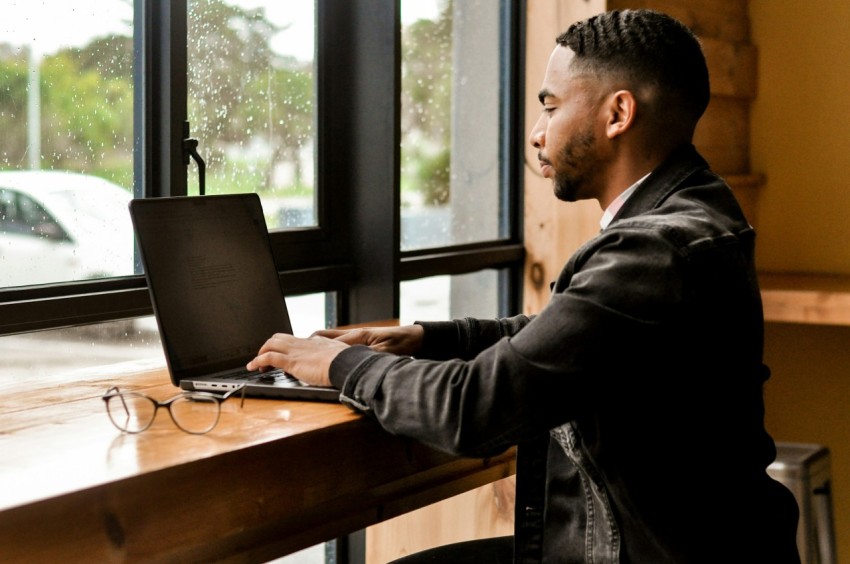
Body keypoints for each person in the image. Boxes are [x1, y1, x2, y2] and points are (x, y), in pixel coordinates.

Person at [248, 9, 801, 563]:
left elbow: (473, 409)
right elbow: (570, 335)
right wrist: (427, 337)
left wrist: (336, 365)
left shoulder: (651, 252)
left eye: (551, 106)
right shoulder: (696, 209)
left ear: (618, 114)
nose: (537, 133)